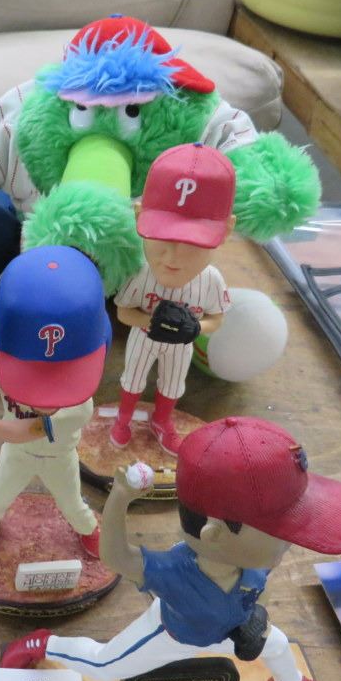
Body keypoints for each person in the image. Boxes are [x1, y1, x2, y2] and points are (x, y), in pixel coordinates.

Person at [0, 416, 341, 681]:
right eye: (281, 532)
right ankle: (44, 643)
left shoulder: (255, 558)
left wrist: (248, 617)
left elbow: (255, 584)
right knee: (104, 666)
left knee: (276, 645)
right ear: (215, 535)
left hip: (229, 631)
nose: (293, 540)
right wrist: (120, 499)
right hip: (171, 635)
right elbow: (116, 557)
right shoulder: (176, 572)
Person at [0, 246, 111, 558]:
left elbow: (22, 431)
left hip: (59, 458)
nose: (46, 395)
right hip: (17, 455)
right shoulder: (7, 360)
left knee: (72, 505)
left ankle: (88, 530)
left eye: (59, 377)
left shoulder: (80, 406)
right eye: (34, 374)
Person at [109, 143, 234, 454]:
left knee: (173, 383)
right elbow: (123, 311)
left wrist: (196, 328)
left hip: (181, 345)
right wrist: (151, 320)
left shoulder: (210, 281)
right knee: (132, 378)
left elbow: (217, 319)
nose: (174, 256)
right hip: (144, 337)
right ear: (138, 215)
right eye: (163, 238)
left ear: (227, 231)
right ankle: (123, 420)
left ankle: (162, 421)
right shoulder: (142, 273)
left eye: (193, 242)